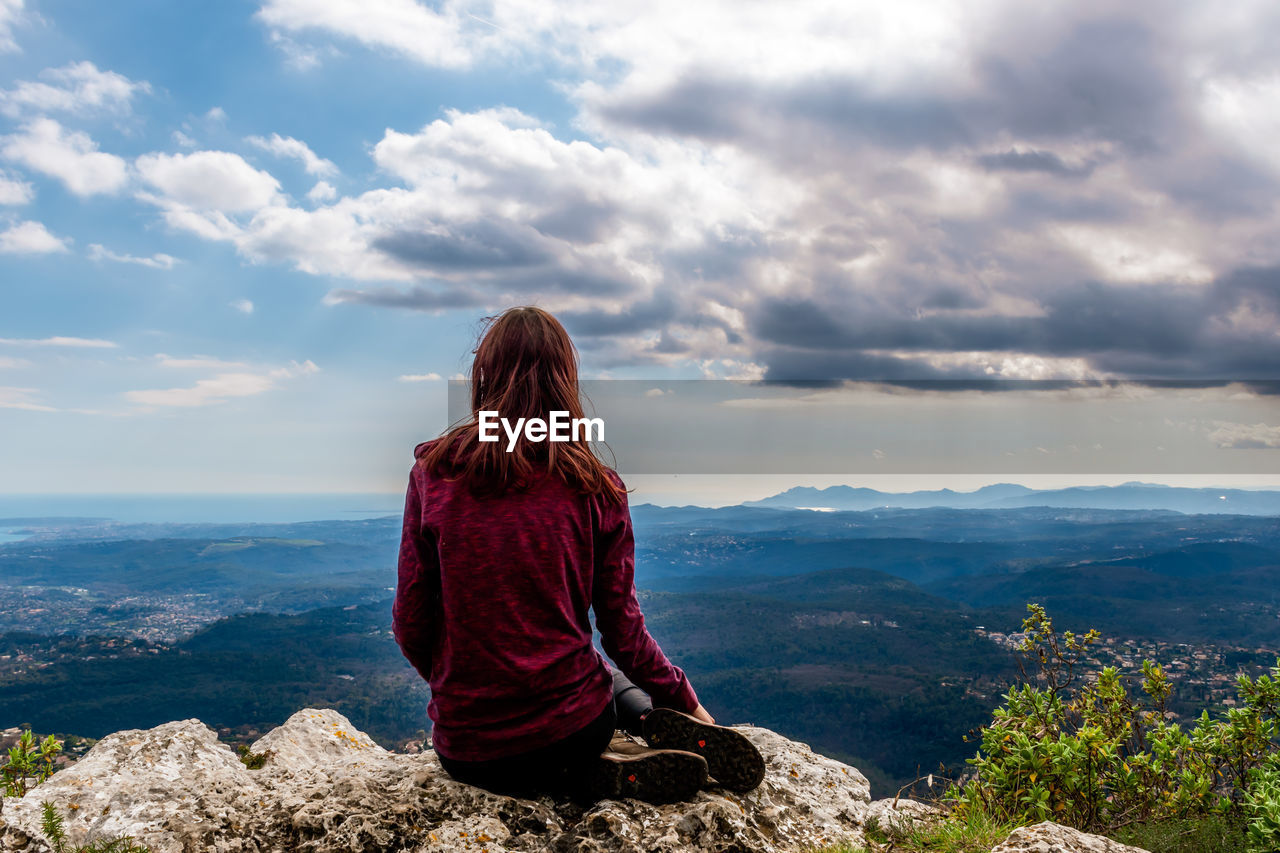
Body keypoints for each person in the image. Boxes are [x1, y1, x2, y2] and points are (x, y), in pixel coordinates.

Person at [392, 306, 765, 804]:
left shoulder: (434, 474)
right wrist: (689, 702)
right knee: (594, 670)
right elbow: (623, 633)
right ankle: (645, 725)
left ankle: (591, 769)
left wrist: (457, 686)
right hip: (574, 730)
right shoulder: (595, 486)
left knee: (581, 675)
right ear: (564, 382)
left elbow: (411, 621)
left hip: (468, 748)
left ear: (484, 376)